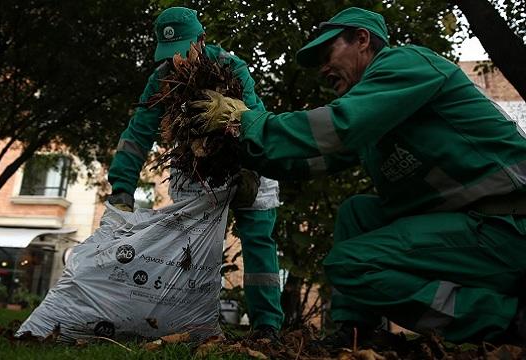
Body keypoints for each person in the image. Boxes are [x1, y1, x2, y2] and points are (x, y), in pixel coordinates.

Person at [191, 6, 526, 345]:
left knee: (351, 264)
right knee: (357, 213)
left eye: (328, 53)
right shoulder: (376, 122)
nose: (323, 68)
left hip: (508, 225)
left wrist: (250, 122)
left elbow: (340, 125)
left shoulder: (405, 65)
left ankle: (507, 321)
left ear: (362, 40)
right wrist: (246, 151)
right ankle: (356, 332)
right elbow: (311, 160)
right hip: (473, 225)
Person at [106, 7, 284, 341]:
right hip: (195, 165)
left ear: (201, 40)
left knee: (259, 240)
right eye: (170, 55)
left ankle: (266, 326)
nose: (178, 62)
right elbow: (138, 132)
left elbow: (255, 118)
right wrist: (121, 185)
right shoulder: (161, 78)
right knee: (193, 247)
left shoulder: (232, 67)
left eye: (183, 51)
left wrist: (250, 167)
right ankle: (191, 323)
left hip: (244, 158)